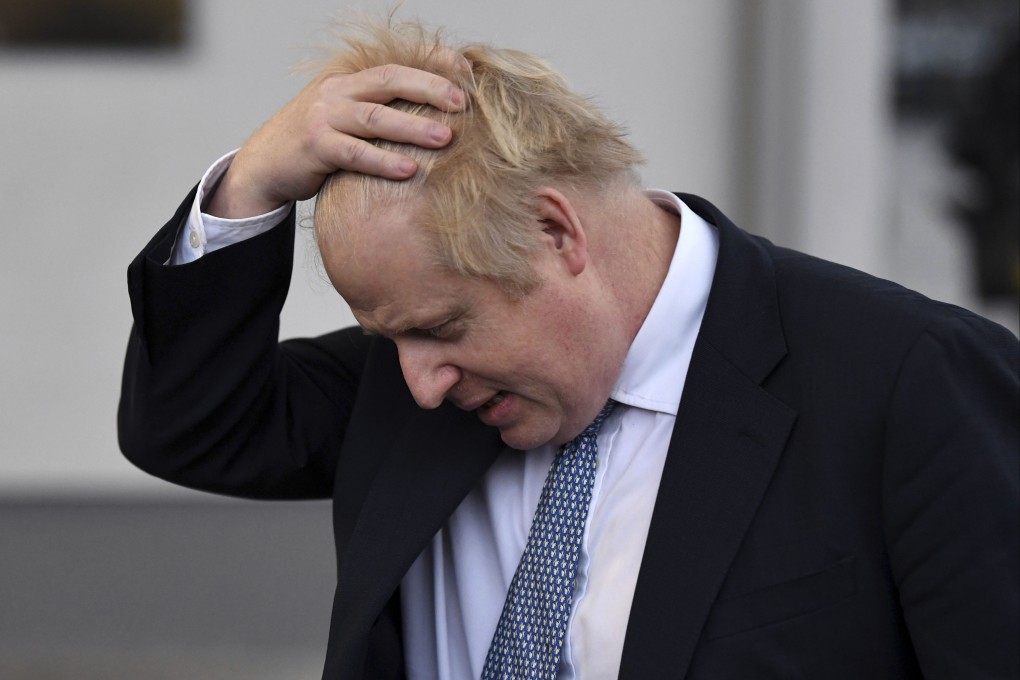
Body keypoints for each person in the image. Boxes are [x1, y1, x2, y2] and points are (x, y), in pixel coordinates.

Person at [119, 18, 1019, 680]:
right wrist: (249, 183)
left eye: (440, 326)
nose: (419, 384)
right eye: (386, 338)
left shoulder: (910, 381)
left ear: (555, 234)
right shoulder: (408, 385)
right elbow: (195, 425)